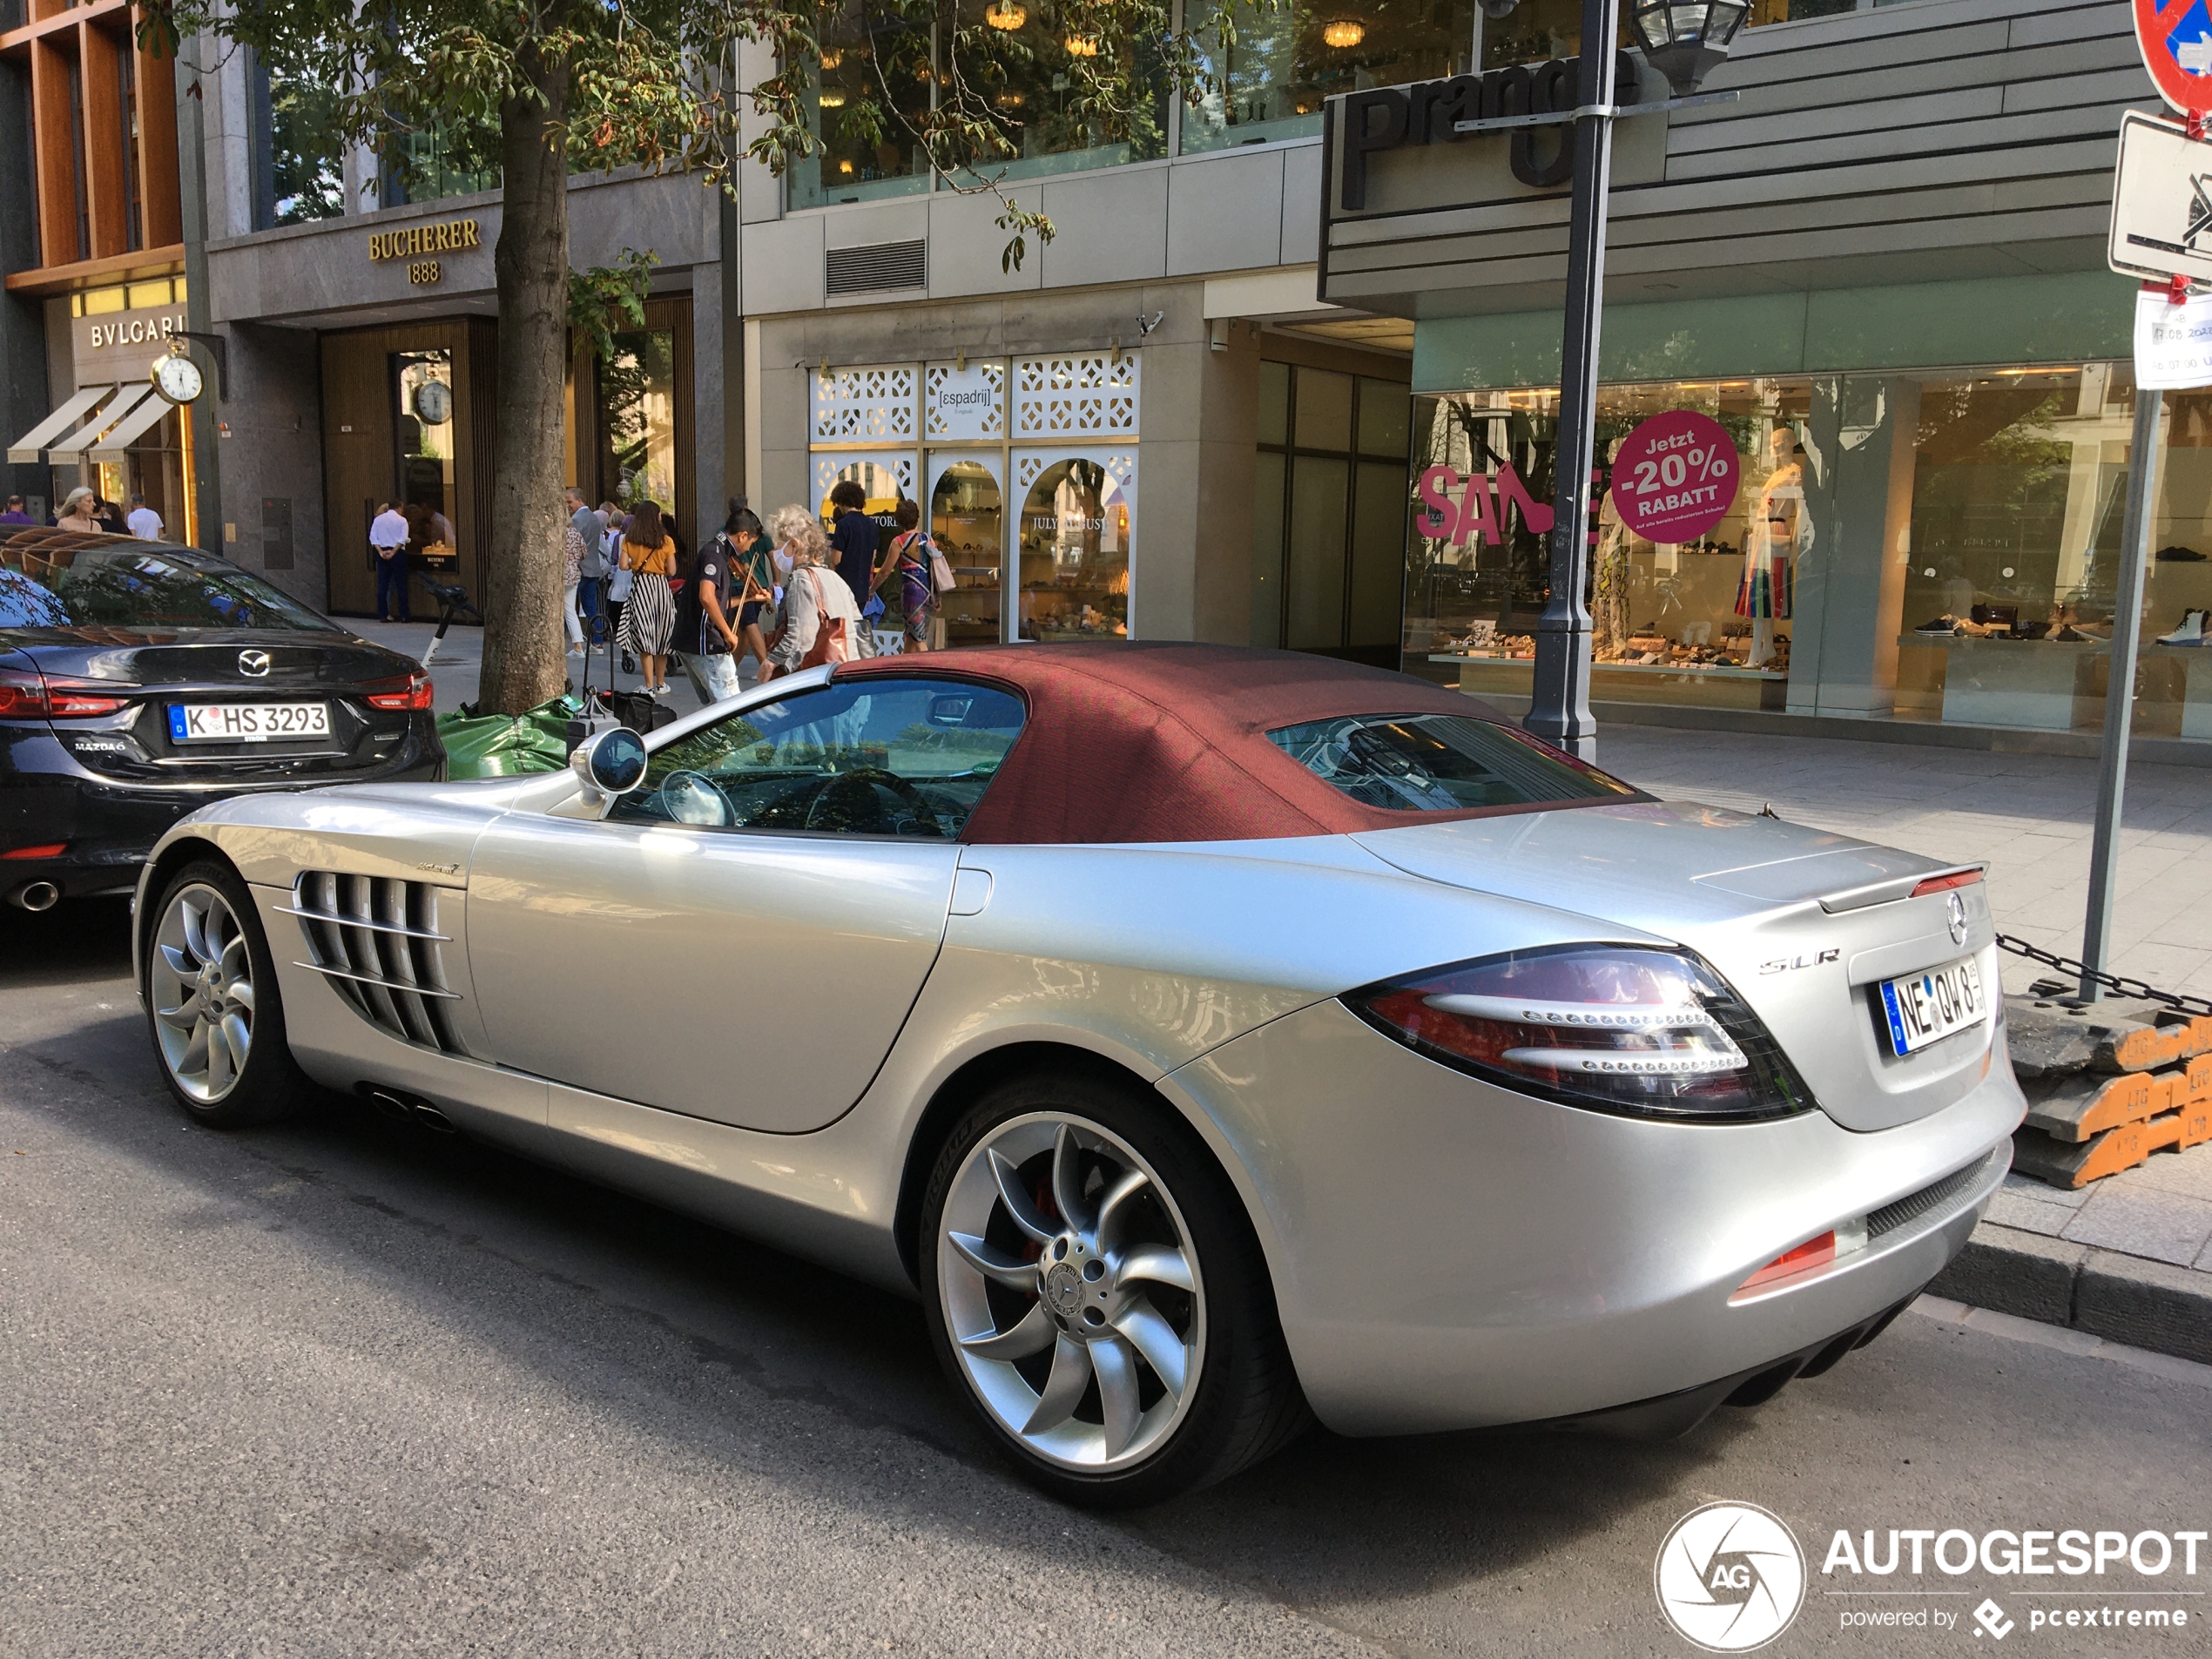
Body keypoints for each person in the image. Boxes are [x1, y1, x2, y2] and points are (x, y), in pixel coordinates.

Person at [677, 503, 765, 704]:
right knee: (731, 709)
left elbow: (717, 604)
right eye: (751, 542)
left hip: (690, 640)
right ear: (742, 536)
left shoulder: (715, 551)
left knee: (712, 709)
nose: (748, 548)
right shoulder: (714, 554)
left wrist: (750, 598)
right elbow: (707, 597)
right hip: (706, 642)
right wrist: (728, 633)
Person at [765, 516, 864, 678]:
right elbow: (859, 629)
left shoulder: (801, 579)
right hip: (849, 671)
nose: (777, 554)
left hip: (821, 678)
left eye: (778, 547)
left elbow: (801, 636)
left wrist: (770, 663)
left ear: (794, 545)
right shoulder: (835, 578)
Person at [617, 499, 678, 695]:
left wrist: (637, 564)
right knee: (662, 635)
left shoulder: (629, 539)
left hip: (641, 586)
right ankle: (661, 683)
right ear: (656, 516)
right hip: (661, 588)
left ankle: (648, 685)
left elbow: (623, 566)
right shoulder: (666, 541)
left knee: (645, 636)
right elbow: (672, 570)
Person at [875, 498, 940, 654]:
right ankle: (905, 667)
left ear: (898, 520)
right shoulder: (927, 539)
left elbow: (885, 571)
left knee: (919, 640)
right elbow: (934, 568)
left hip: (912, 593)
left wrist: (872, 590)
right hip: (927, 592)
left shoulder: (899, 542)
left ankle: (928, 672)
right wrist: (938, 596)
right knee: (910, 637)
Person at [825, 479, 879, 609]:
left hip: (843, 587)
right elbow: (873, 557)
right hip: (862, 587)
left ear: (842, 501)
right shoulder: (872, 525)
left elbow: (836, 560)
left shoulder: (843, 524)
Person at [369, 500, 412, 622]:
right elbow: (403, 538)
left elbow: (373, 537)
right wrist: (393, 552)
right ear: (399, 508)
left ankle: (383, 614)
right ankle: (404, 615)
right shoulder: (402, 520)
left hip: (382, 553)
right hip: (397, 553)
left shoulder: (378, 520)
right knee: (401, 585)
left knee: (382, 585)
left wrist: (381, 551)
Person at [562, 509, 588, 658]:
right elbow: (584, 552)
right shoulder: (575, 533)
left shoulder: (556, 533)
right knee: (570, 609)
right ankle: (578, 645)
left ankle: (576, 646)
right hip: (573, 573)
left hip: (560, 573)